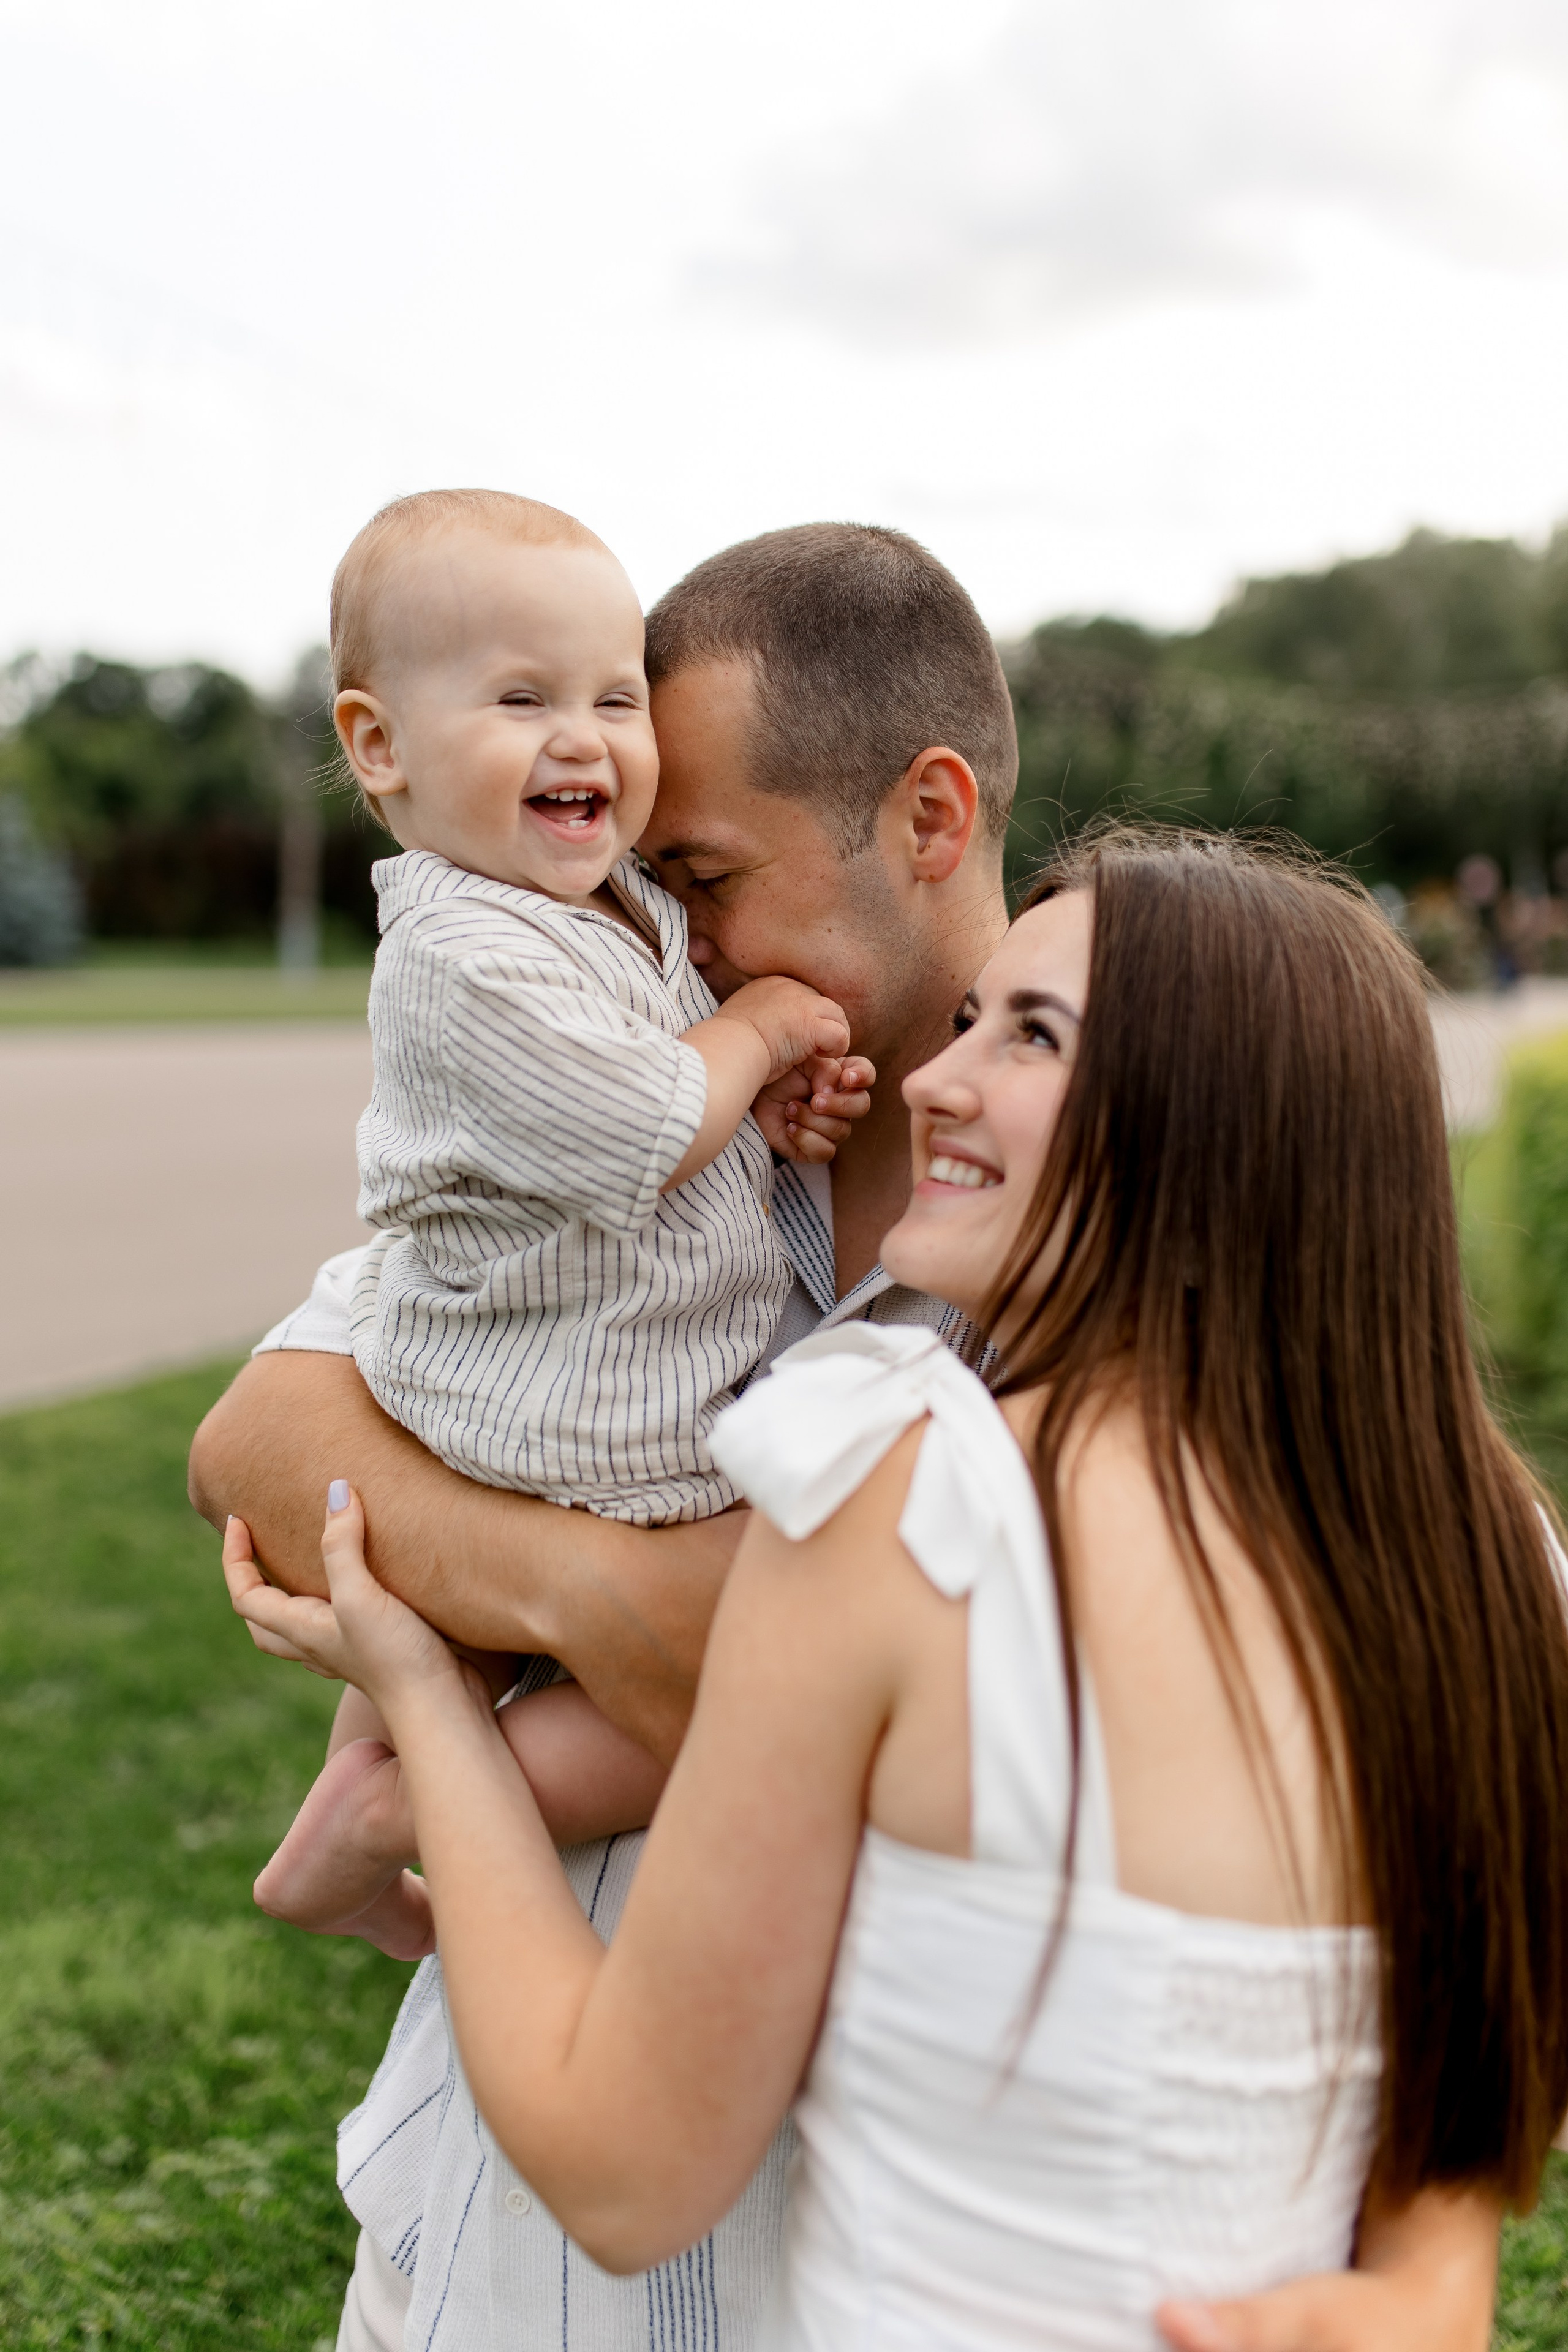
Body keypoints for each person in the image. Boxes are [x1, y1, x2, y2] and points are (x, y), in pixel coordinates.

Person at [189, 524, 1506, 2352]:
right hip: (507, 2251)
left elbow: (1400, 1894)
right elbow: (263, 1430)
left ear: (931, 818)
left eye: (702, 872)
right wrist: (613, 1596)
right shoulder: (643, 1105)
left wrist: (1434, 2275)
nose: (667, 931)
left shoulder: (1102, 1258)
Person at [251, 488, 873, 1964]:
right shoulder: (462, 952)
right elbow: (645, 1121)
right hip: (584, 1421)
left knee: (454, 1656)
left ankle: (344, 1820)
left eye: (612, 696)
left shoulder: (606, 908)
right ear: (377, 744)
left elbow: (674, 1095)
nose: (583, 736)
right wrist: (770, 1026)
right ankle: (387, 1825)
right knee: (721, 1703)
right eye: (522, 697)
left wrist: (763, 1110)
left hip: (540, 1379)